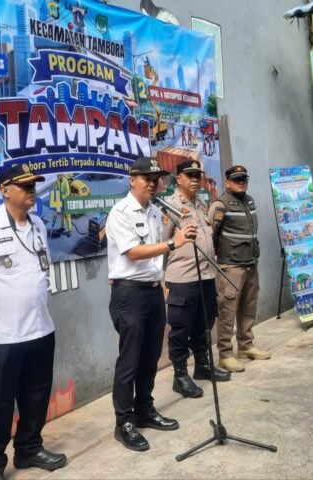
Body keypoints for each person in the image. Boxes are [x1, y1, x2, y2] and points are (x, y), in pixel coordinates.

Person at [0, 164, 67, 480]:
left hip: (40, 329)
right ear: (5, 190)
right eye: (24, 185)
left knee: (36, 395)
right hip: (0, 335)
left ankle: (29, 448)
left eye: (33, 185)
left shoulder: (39, 226)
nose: (31, 189)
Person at [106, 156, 194, 452]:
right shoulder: (120, 212)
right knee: (129, 360)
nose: (153, 183)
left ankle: (145, 409)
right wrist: (173, 244)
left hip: (153, 292)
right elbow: (132, 252)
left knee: (151, 356)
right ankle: (124, 422)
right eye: (147, 178)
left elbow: (155, 258)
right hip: (129, 294)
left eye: (157, 179)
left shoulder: (156, 212)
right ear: (132, 180)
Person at [162, 160, 231, 400]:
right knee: (181, 329)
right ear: (178, 178)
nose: (195, 179)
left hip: (206, 275)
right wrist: (163, 279)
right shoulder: (170, 206)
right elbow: (162, 244)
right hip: (183, 278)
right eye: (189, 175)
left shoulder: (202, 204)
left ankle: (202, 366)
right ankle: (180, 376)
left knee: (204, 324)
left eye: (197, 175)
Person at [208, 165, 270, 373]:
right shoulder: (220, 204)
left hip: (251, 263)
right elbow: (211, 236)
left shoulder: (249, 200)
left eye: (243, 178)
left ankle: (246, 346)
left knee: (248, 307)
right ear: (227, 182)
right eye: (236, 179)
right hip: (231, 266)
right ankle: (225, 354)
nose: (241, 182)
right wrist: (221, 261)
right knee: (228, 311)